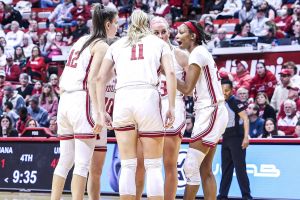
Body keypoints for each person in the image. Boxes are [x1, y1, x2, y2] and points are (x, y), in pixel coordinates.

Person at [97, 10, 176, 200]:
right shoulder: (159, 43)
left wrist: (101, 110)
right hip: (147, 96)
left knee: (128, 165)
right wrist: (171, 106)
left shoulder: (116, 45)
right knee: (154, 165)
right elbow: (171, 74)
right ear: (147, 25)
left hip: (123, 98)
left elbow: (100, 78)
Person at [50, 5, 118, 200]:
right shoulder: (102, 45)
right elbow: (93, 80)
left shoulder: (80, 40)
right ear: (107, 24)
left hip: (65, 101)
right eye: (115, 23)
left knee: (65, 161)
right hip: (82, 100)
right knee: (81, 164)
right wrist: (99, 112)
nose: (117, 27)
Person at [135, 16, 188, 200]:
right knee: (140, 162)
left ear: (169, 32)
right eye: (156, 33)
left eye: (163, 32)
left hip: (173, 106)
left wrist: (171, 78)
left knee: (169, 163)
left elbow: (190, 88)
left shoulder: (181, 55)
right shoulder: (143, 56)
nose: (161, 36)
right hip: (148, 107)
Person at [175, 20, 229, 199]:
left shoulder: (197, 53)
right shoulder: (198, 53)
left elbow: (187, 89)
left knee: (190, 166)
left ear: (193, 36)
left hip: (211, 111)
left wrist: (168, 74)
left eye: (181, 32)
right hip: (210, 111)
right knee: (205, 169)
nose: (177, 35)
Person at [218, 79, 252, 200]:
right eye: (222, 90)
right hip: (225, 137)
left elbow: (246, 119)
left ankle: (246, 196)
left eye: (227, 90)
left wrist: (245, 138)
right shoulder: (220, 103)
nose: (224, 93)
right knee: (226, 168)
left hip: (237, 138)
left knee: (240, 169)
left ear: (232, 90)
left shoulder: (235, 101)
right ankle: (222, 195)